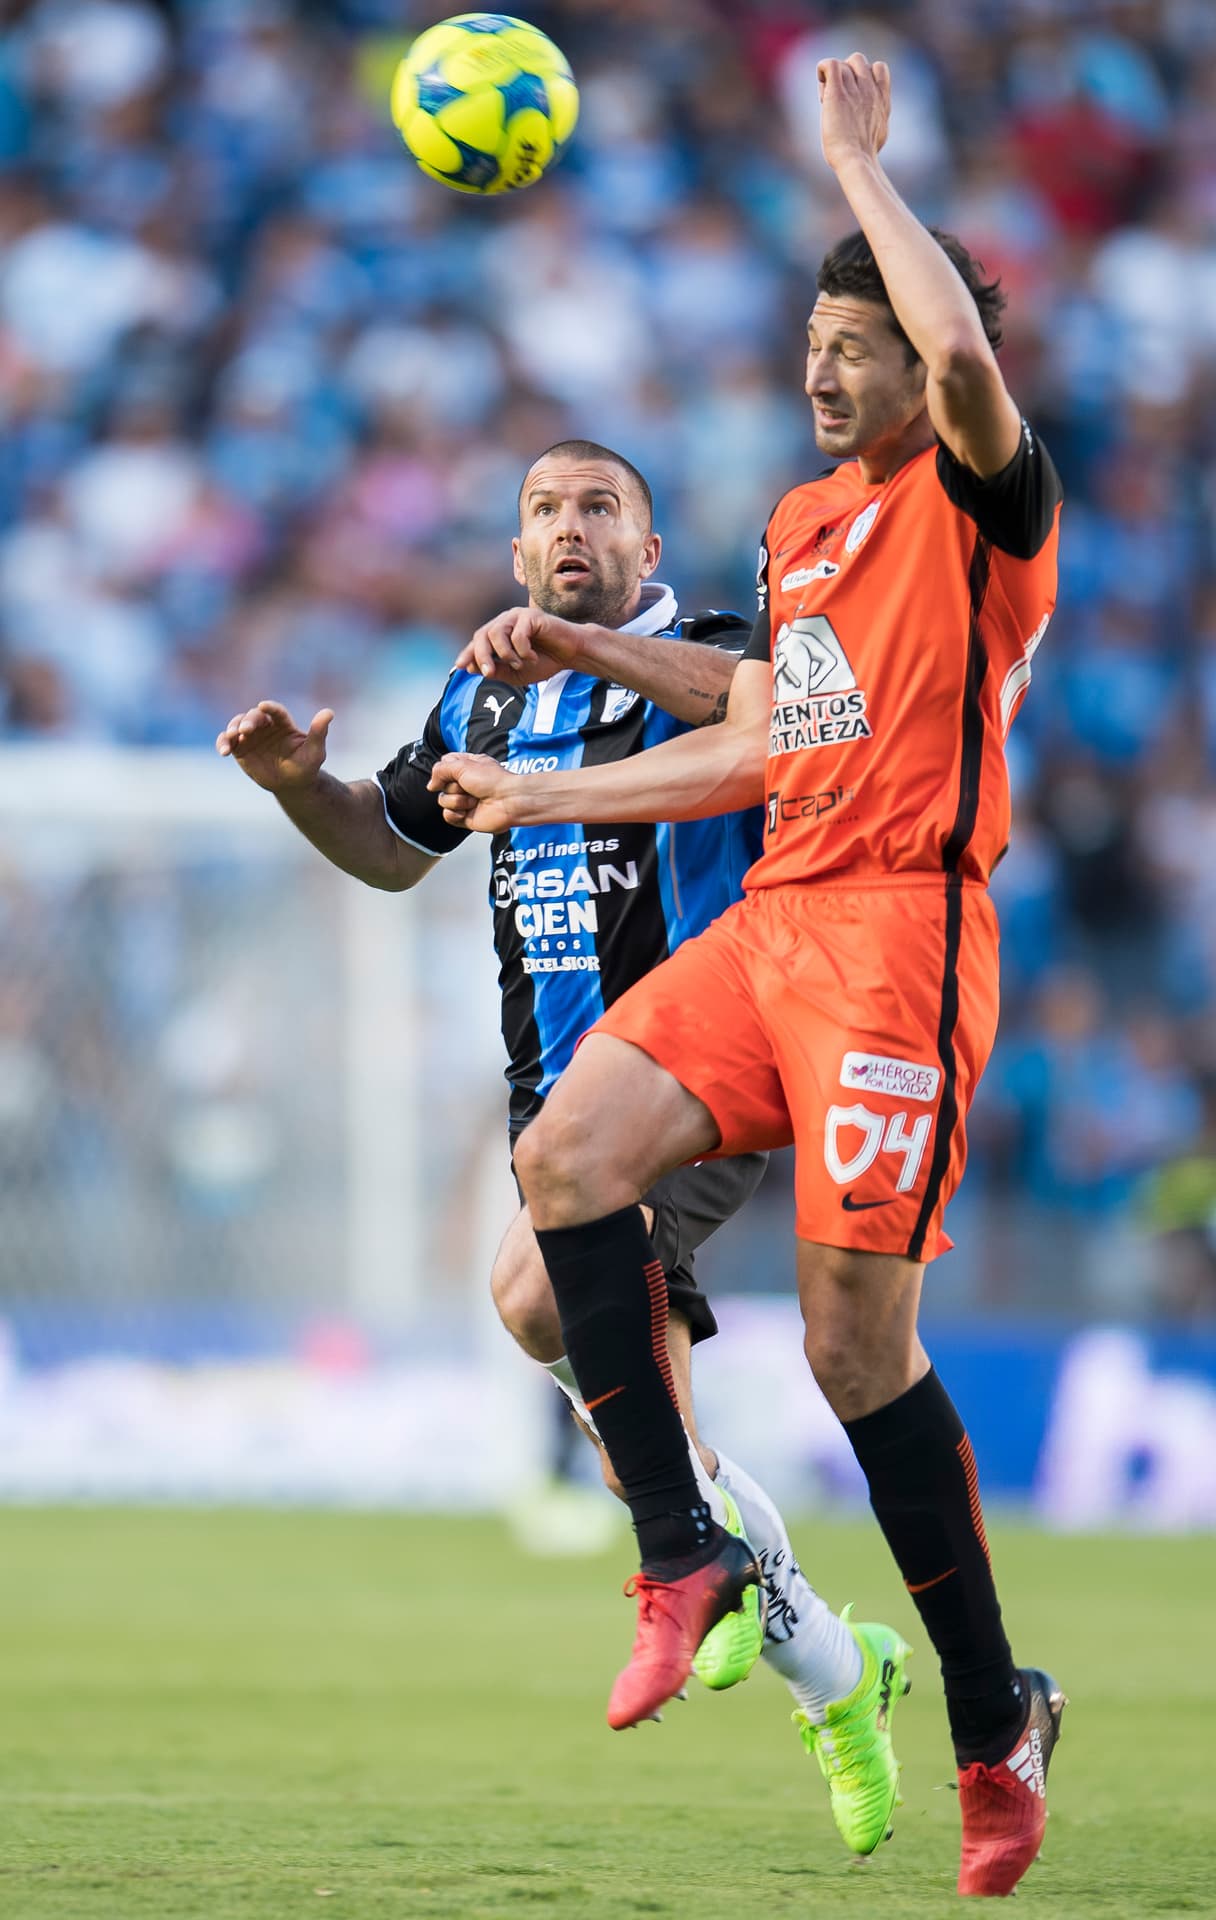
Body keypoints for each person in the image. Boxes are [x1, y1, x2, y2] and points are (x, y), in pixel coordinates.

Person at [429, 58, 1065, 1901]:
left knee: (863, 1349)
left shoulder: (979, 498)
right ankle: (680, 1551)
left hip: (903, 944)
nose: (821, 371)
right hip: (777, 916)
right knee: (562, 1172)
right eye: (810, 346)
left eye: (848, 343)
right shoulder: (798, 530)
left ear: (915, 350)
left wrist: (865, 174)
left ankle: (984, 1713)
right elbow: (769, 745)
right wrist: (555, 747)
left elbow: (960, 369)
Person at [216, 438, 910, 1858]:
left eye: (601, 509)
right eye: (544, 512)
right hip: (554, 1110)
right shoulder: (482, 693)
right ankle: (841, 1674)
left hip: (695, 1077)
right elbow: (396, 849)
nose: (571, 527)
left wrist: (586, 645)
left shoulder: (717, 648)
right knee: (651, 1455)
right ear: (516, 551)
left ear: (649, 555)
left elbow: (779, 730)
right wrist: (300, 785)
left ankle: (729, 1583)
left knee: (531, 1297)